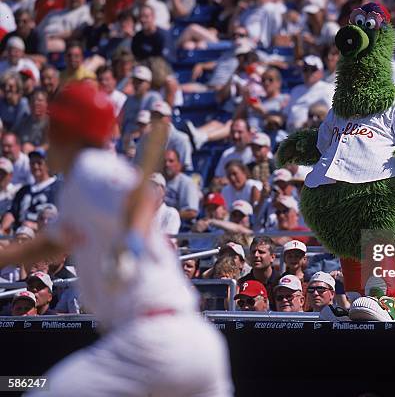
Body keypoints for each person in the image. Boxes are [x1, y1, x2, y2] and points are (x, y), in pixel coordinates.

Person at [1, 81, 233, 395]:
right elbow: (50, 243)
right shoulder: (79, 184)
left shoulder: (91, 169)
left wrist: (133, 241)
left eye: (53, 126)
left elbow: (135, 202)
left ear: (66, 131)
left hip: (151, 341)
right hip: (198, 344)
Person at [2, 150, 60, 233]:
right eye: (32, 163)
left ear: (47, 164)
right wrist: (3, 229)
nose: (35, 166)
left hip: (43, 234)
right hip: (19, 234)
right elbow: (12, 213)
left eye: (39, 163)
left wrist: (35, 226)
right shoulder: (24, 190)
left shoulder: (58, 187)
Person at [284, 55, 334, 132]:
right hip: (290, 133)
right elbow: (285, 114)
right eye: (305, 69)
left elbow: (330, 114)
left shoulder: (328, 89)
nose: (309, 72)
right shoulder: (296, 90)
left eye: (313, 69)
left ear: (321, 72)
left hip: (313, 133)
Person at [239, 236, 280, 304]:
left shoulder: (280, 282)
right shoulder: (242, 284)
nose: (256, 255)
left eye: (261, 252)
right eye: (253, 252)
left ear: (272, 257)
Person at [162, 149, 199, 224]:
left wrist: (166, 216)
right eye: (164, 161)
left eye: (171, 161)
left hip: (182, 227)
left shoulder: (187, 183)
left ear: (179, 165)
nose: (167, 164)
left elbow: (192, 212)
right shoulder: (157, 181)